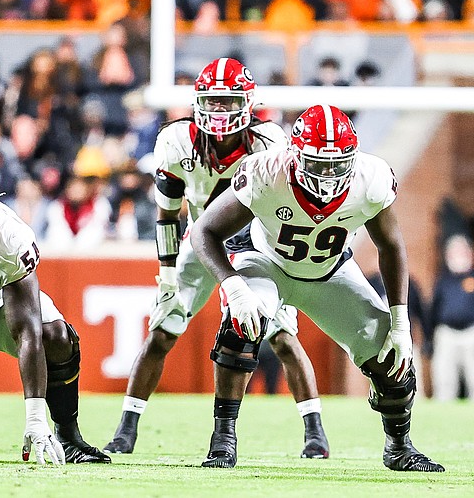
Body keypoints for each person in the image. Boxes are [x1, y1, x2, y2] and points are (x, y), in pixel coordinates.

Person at [190, 104, 444, 472]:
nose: (327, 174)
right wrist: (234, 285)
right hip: (267, 263)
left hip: (330, 271)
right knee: (240, 324)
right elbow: (204, 231)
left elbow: (391, 246)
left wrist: (401, 323)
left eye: (337, 164)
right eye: (317, 164)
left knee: (393, 354)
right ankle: (222, 440)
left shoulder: (370, 179)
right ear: (294, 156)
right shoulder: (267, 172)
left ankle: (399, 447)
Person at [104, 58, 330, 460]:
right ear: (197, 103)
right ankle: (126, 428)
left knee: (280, 336)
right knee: (162, 329)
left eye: (228, 102)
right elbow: (168, 213)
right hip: (199, 238)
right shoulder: (175, 141)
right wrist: (167, 274)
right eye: (214, 101)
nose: (221, 111)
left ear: (247, 103)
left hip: (256, 243)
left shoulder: (269, 141)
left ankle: (315, 432)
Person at [0, 155, 110, 464]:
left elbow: (28, 329)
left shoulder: (9, 236)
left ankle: (67, 434)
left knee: (55, 336)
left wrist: (35, 417)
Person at [429, 234, 474, 403]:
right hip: (446, 334)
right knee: (444, 382)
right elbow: (433, 310)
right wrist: (430, 340)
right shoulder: (443, 281)